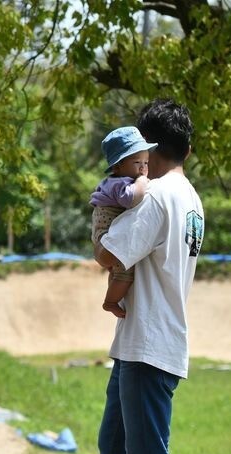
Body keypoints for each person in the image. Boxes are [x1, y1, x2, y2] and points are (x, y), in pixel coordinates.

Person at [84, 98, 204, 454]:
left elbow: (109, 252)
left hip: (149, 345)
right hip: (143, 340)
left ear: (148, 147)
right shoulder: (191, 198)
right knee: (115, 446)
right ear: (188, 150)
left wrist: (101, 223)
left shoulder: (157, 197)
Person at [89, 126, 156, 318]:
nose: (143, 168)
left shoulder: (119, 180)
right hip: (106, 225)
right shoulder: (120, 183)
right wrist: (142, 182)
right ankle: (110, 302)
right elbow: (131, 199)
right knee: (126, 272)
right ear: (117, 166)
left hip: (104, 224)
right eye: (137, 162)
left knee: (117, 269)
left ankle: (112, 294)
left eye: (146, 162)